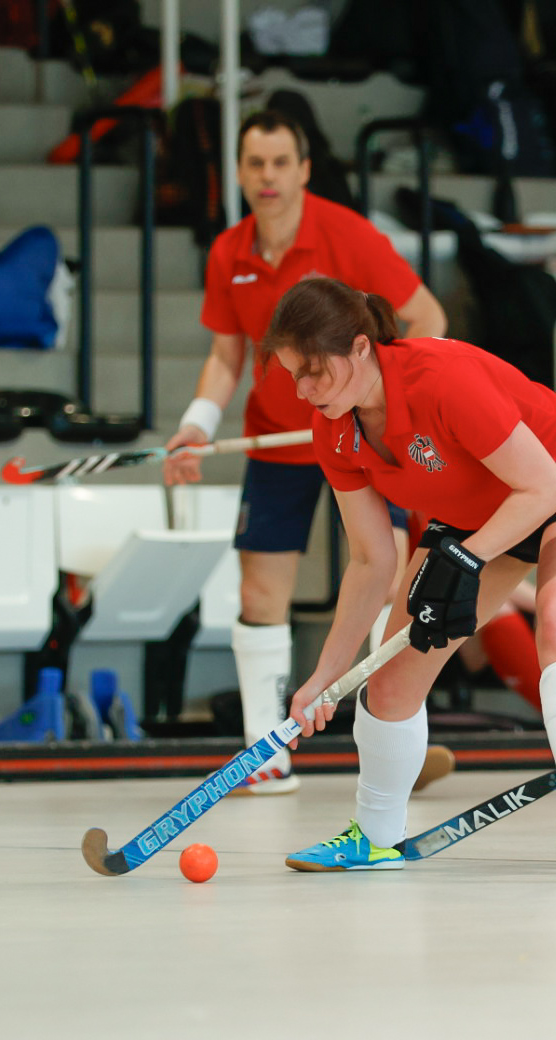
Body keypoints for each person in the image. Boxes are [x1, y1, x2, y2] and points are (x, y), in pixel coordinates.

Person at [268, 277, 556, 884]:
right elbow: (371, 561)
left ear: (360, 347)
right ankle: (375, 836)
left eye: (313, 372)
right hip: (477, 514)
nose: (304, 391)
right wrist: (325, 677)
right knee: (389, 681)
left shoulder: (441, 378)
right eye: (292, 376)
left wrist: (466, 560)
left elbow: (543, 488)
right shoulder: (332, 428)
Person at [164, 110, 447, 794]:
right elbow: (226, 356)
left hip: (366, 439)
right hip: (281, 440)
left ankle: (391, 746)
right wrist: (198, 423)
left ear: (304, 169)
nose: (267, 176)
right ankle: (266, 756)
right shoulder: (228, 252)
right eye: (255, 163)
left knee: (390, 581)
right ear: (238, 172)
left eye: (280, 162)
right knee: (260, 593)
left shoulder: (349, 236)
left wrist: (387, 402)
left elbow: (428, 318)